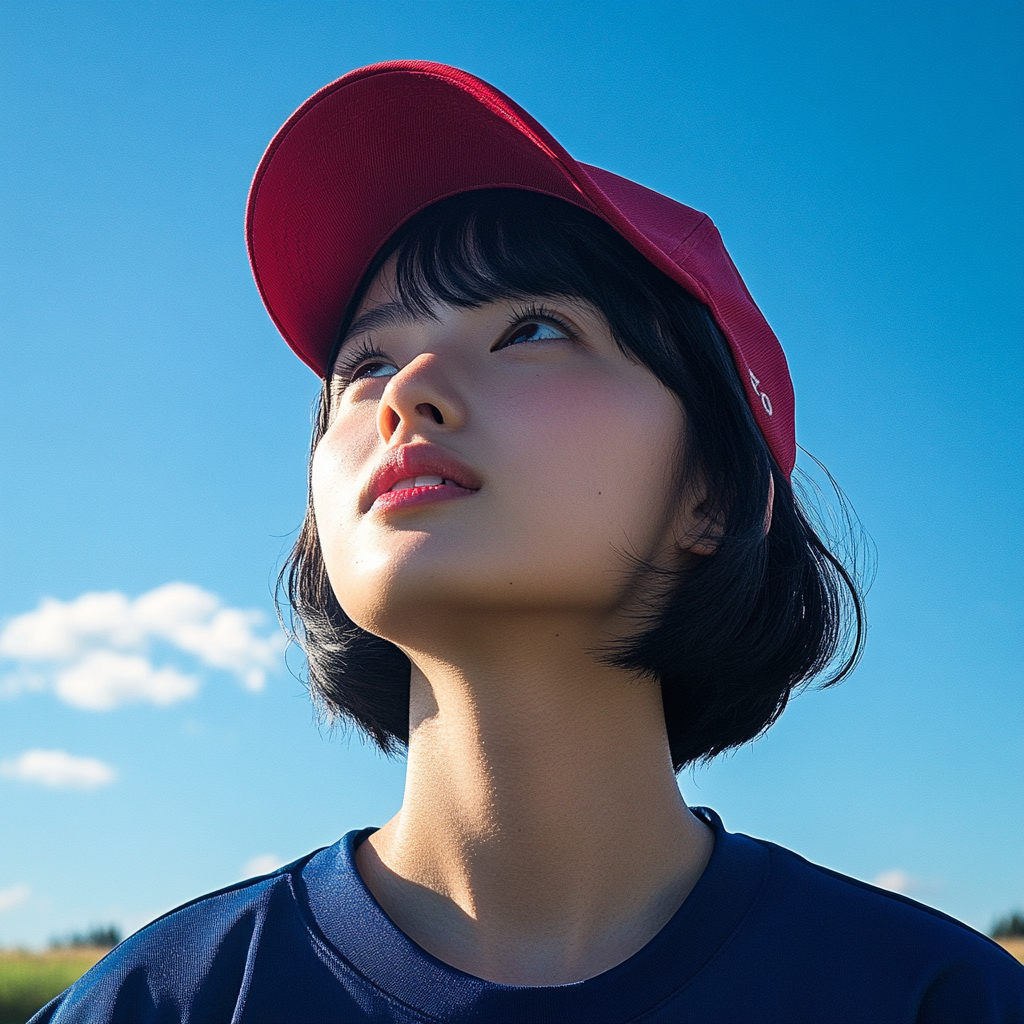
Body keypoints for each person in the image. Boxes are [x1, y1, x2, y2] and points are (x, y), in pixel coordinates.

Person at [34, 60, 1023, 1024]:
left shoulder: (930, 998)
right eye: (363, 362)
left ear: (712, 494)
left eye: (533, 329)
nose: (406, 394)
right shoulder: (159, 1003)